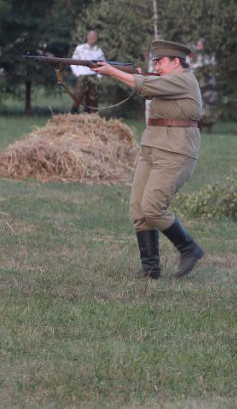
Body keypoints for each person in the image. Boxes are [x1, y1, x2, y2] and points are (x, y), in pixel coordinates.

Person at [93, 40, 206, 280]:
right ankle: (151, 268)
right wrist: (125, 74)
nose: (157, 65)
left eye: (161, 61)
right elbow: (146, 86)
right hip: (152, 147)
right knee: (138, 208)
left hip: (176, 151)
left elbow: (146, 84)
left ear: (176, 62)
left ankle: (190, 249)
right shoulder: (166, 81)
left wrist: (111, 71)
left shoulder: (184, 79)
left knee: (153, 207)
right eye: (155, 61)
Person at [70, 30, 105, 112]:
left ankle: (92, 115)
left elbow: (103, 64)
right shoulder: (79, 48)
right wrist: (77, 73)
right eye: (91, 36)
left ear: (96, 39)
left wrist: (99, 76)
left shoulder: (99, 51)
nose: (92, 38)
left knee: (93, 98)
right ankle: (73, 113)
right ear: (87, 37)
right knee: (78, 96)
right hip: (81, 75)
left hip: (93, 76)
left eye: (94, 37)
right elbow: (73, 62)